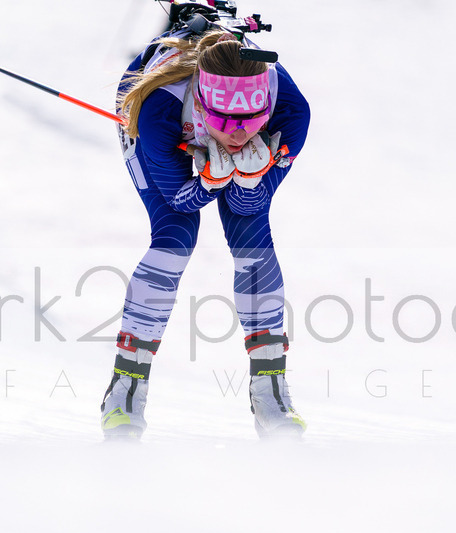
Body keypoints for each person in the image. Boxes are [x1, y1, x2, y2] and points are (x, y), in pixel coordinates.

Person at [100, 23, 310, 440]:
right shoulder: (158, 109)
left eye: (252, 120)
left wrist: (250, 182)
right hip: (149, 115)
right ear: (202, 104)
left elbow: (247, 207)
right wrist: (208, 183)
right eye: (224, 120)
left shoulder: (291, 111)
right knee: (175, 238)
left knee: (252, 234)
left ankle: (271, 393)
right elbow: (178, 200)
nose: (238, 133)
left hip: (202, 127)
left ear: (268, 106)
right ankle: (123, 391)